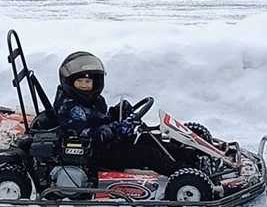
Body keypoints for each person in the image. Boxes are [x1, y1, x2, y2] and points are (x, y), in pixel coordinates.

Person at [53, 51, 200, 176]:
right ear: (69, 82)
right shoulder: (69, 107)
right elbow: (86, 134)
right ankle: (186, 176)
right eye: (79, 81)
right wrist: (116, 129)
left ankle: (193, 158)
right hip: (93, 154)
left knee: (148, 139)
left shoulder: (93, 100)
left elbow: (100, 119)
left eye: (88, 81)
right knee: (147, 154)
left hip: (106, 145)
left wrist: (117, 113)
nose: (84, 85)